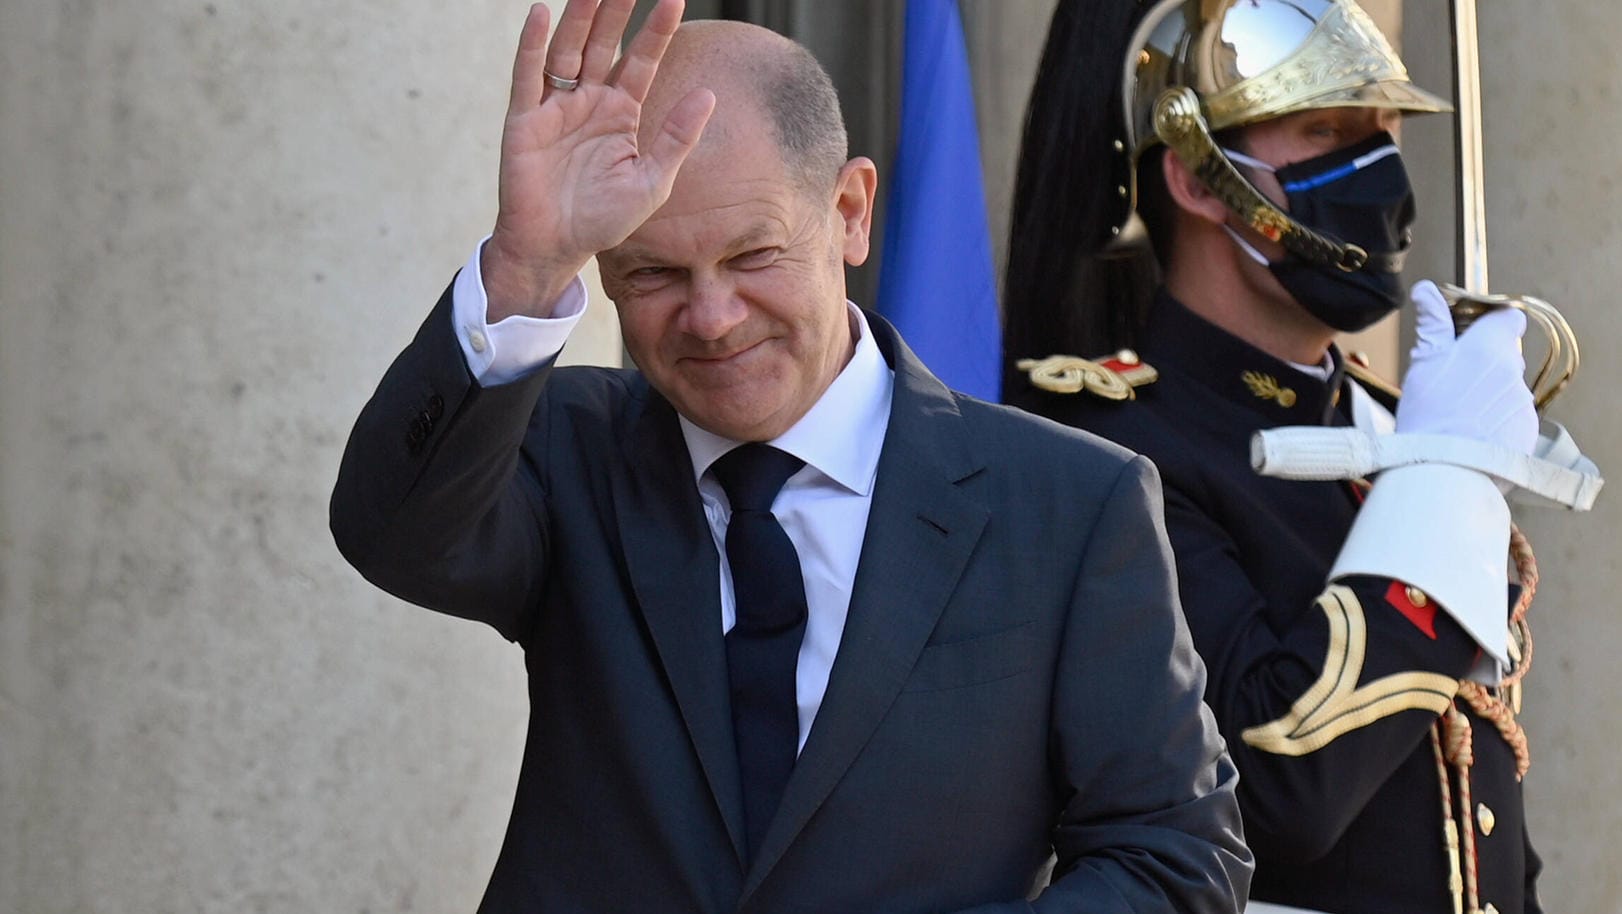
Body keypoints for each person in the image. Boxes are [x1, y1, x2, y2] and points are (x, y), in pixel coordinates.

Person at [330, 0, 1251, 911]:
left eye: (752, 254)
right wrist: (525, 267)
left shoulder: (1069, 501)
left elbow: (1174, 854)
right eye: (652, 272)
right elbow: (391, 536)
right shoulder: (556, 448)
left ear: (849, 212)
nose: (712, 317)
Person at [1004, 2, 1549, 913]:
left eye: (1382, 132)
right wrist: (1448, 481)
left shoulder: (1388, 426)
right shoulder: (1110, 443)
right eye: (1327, 131)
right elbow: (1277, 783)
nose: (1382, 179)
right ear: (1201, 181)